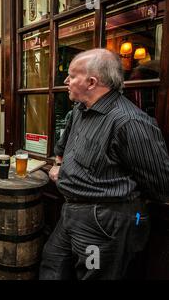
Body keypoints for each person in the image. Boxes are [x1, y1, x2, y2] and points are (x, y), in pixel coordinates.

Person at [41, 49, 169, 280]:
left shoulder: (130, 122)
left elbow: (161, 184)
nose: (66, 81)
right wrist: (59, 163)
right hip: (71, 211)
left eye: (72, 76)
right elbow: (66, 141)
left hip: (102, 223)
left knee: (94, 275)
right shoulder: (81, 110)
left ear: (91, 82)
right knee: (52, 265)